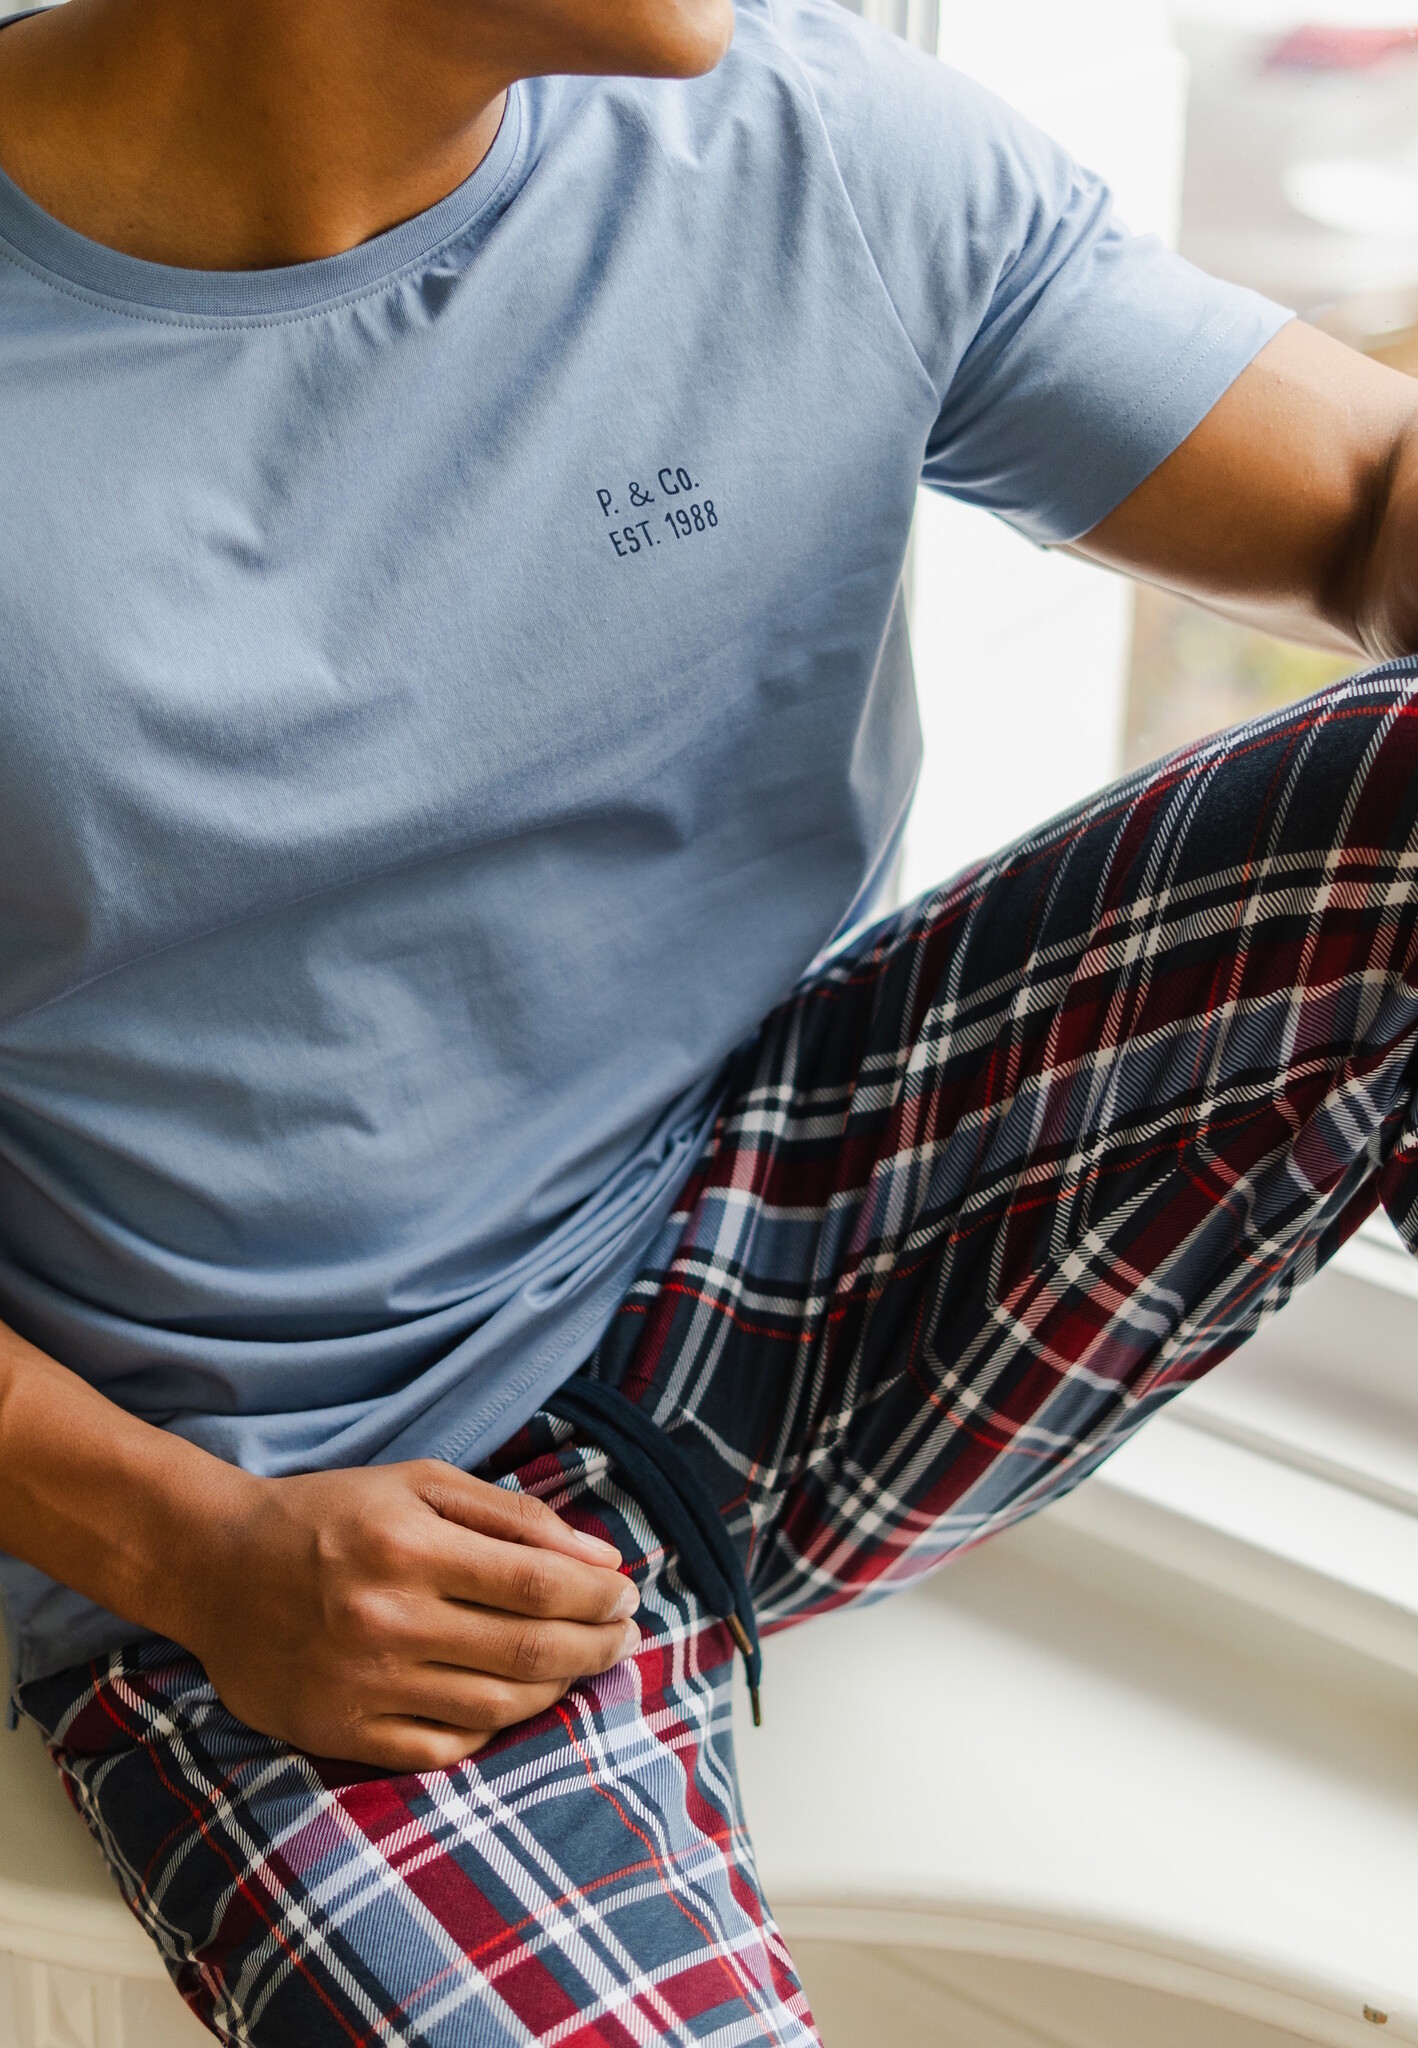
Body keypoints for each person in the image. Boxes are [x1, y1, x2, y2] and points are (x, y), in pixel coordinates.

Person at [2, 0, 1417, 2039]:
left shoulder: (826, 148)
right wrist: (193, 1550)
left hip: (798, 1204)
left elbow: (1366, 494)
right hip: (287, 1496)